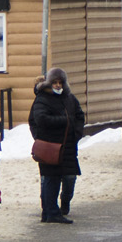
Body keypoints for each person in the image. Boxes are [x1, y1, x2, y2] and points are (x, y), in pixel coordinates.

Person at [29, 68, 84, 223]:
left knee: (66, 178)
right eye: (55, 82)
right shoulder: (43, 98)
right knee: (50, 179)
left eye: (60, 82)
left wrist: (76, 133)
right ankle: (50, 212)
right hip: (50, 146)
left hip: (67, 146)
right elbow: (39, 119)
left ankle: (54, 211)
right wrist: (63, 121)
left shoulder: (69, 98)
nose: (58, 85)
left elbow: (79, 116)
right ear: (49, 83)